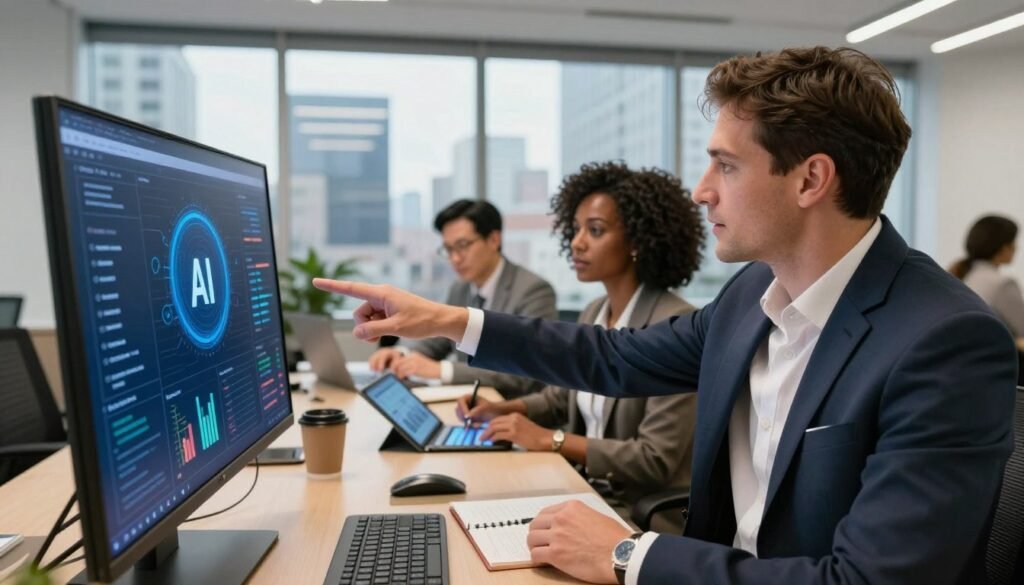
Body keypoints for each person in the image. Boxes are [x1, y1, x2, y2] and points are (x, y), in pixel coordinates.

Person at [315, 46, 1017, 585]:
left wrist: (629, 554)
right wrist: (447, 318)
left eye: (726, 167)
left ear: (810, 179)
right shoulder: (751, 296)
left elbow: (862, 580)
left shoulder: (944, 342)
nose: (702, 191)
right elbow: (614, 358)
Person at [456, 161, 705, 520]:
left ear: (636, 239)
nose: (577, 243)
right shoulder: (594, 310)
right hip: (585, 490)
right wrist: (505, 410)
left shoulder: (675, 324)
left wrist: (550, 440)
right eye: (575, 230)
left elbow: (654, 459)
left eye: (596, 230)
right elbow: (562, 397)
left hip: (637, 512)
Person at [367, 199, 556, 398]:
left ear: (493, 240)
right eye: (448, 249)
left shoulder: (533, 291)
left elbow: (523, 375)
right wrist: (401, 354)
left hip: (515, 412)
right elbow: (436, 336)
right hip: (469, 404)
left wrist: (442, 370)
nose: (455, 258)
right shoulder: (460, 288)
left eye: (463, 245)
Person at [950, 215, 1024, 347]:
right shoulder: (1002, 284)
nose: (1016, 247)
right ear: (1004, 248)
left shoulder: (963, 275)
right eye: (1013, 242)